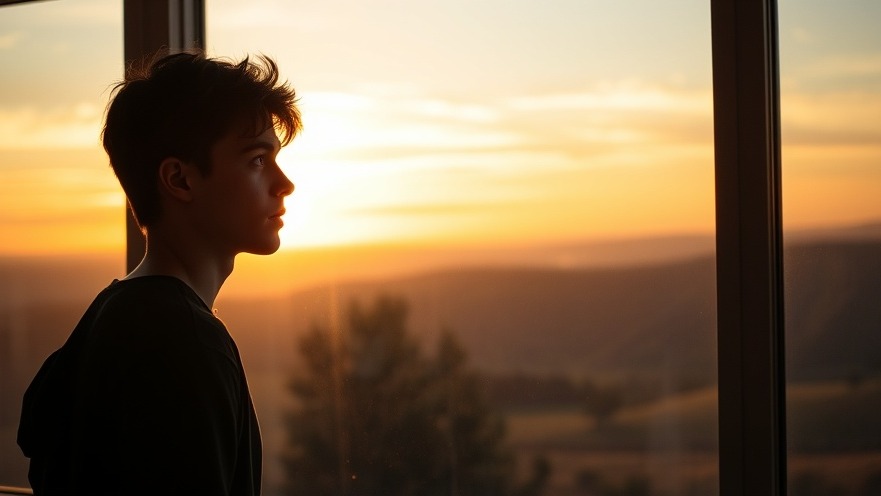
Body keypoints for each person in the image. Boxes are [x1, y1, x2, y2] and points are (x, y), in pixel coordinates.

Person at [17, 50, 301, 496]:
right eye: (256, 160)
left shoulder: (111, 315)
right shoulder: (186, 344)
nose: (285, 183)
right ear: (180, 180)